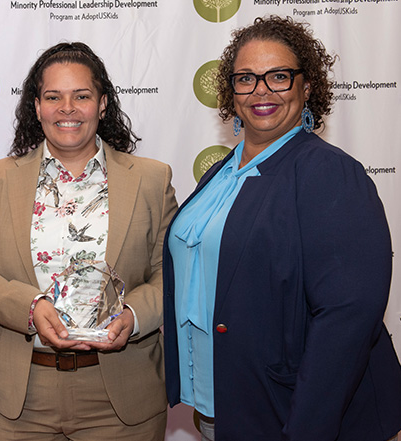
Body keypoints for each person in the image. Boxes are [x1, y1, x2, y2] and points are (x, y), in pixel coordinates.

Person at [163, 15, 401, 441]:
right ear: (230, 92)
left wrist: (305, 430)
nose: (261, 91)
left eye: (278, 76)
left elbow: (348, 316)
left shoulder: (329, 173)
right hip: (228, 405)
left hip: (296, 414)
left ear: (306, 87)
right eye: (246, 79)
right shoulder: (220, 174)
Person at [0, 42, 178, 440]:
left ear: (103, 104)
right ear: (36, 106)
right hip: (22, 397)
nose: (67, 108)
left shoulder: (151, 179)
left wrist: (133, 315)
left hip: (122, 396)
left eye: (82, 96)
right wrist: (30, 307)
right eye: (53, 96)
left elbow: (172, 275)